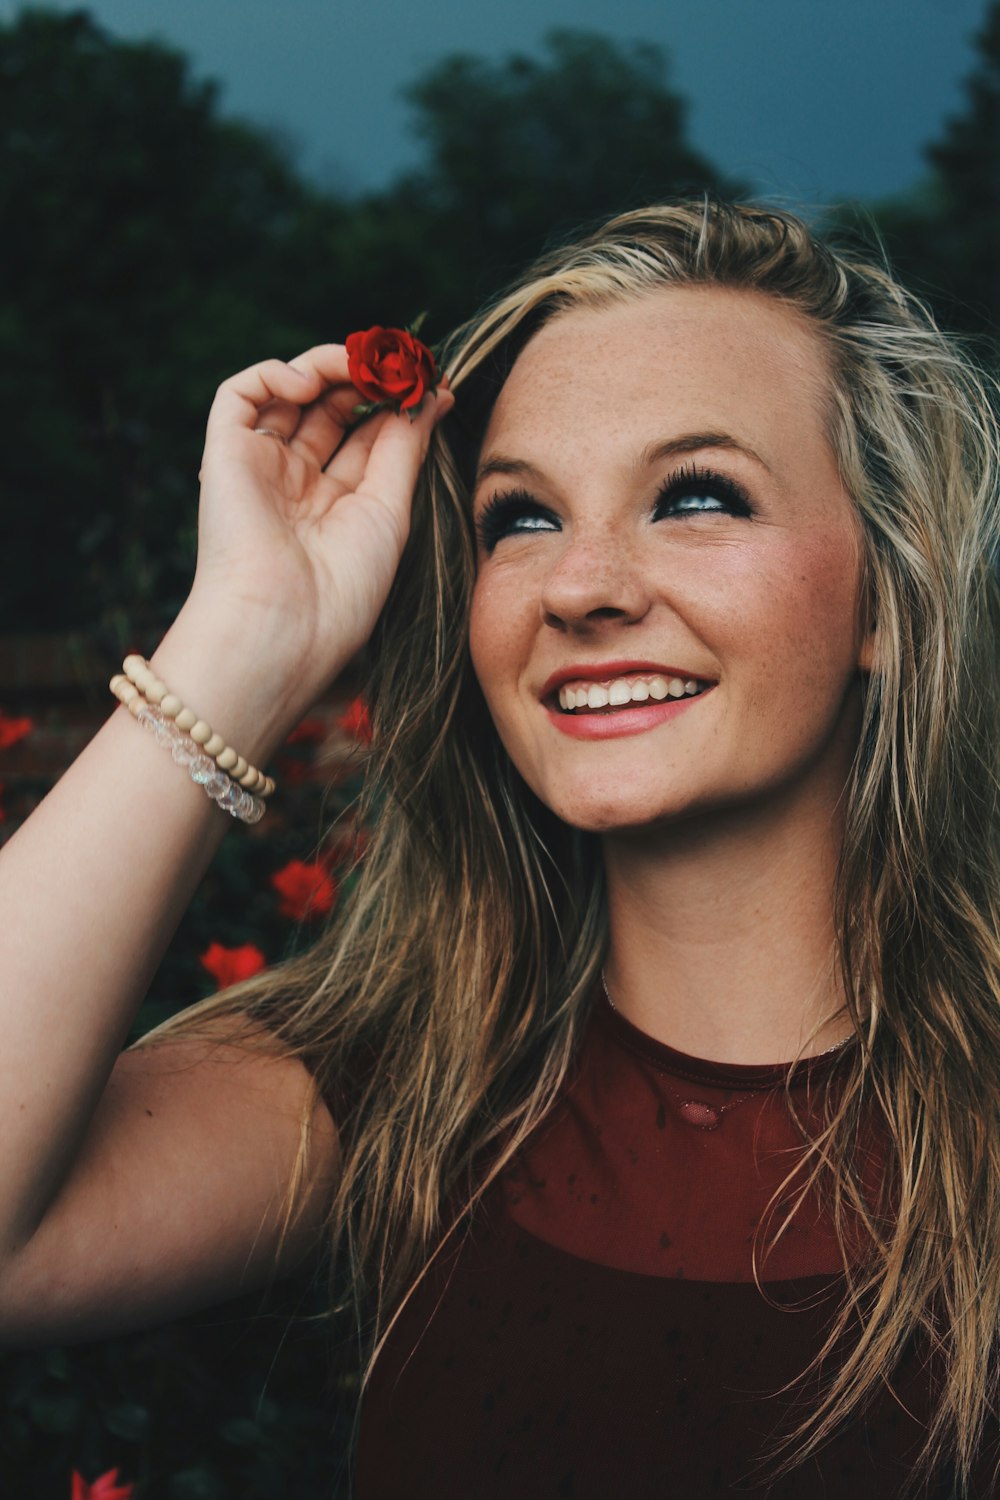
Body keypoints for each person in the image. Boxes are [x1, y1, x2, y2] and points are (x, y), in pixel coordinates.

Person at [0, 199, 997, 1498]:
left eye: (696, 495)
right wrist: (247, 634)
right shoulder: (397, 1080)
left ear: (892, 584)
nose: (580, 588)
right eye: (519, 518)